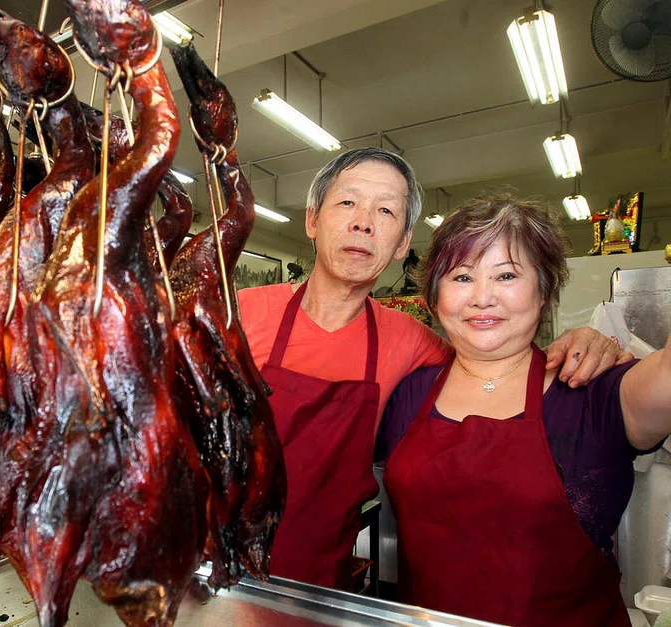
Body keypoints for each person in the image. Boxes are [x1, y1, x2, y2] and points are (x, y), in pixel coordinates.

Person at [237, 148, 630, 591]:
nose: (363, 222)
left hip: (318, 584)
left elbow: (495, 355)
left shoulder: (409, 339)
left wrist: (587, 339)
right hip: (209, 561)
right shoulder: (235, 315)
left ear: (402, 243)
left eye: (385, 210)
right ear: (312, 220)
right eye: (347, 202)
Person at [376, 193, 670, 625]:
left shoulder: (595, 392)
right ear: (434, 296)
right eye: (462, 277)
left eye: (506, 275)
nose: (482, 298)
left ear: (544, 290)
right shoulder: (406, 392)